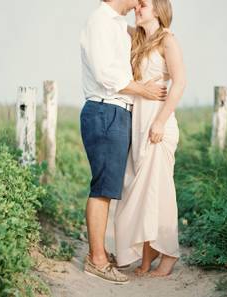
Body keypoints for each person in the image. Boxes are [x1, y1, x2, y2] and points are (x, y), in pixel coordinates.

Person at [79, 0, 168, 284]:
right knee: (103, 188)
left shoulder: (117, 25)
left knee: (109, 186)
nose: (139, 2)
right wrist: (144, 90)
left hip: (116, 112)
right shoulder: (100, 22)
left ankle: (99, 253)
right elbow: (107, 74)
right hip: (106, 109)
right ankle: (97, 260)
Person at [114, 0, 186, 277]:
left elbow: (179, 82)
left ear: (158, 9)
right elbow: (115, 17)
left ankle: (168, 254)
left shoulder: (168, 40)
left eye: (142, 4)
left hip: (159, 123)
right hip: (138, 123)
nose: (137, 8)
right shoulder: (137, 37)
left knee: (160, 192)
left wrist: (159, 121)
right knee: (141, 193)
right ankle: (146, 257)